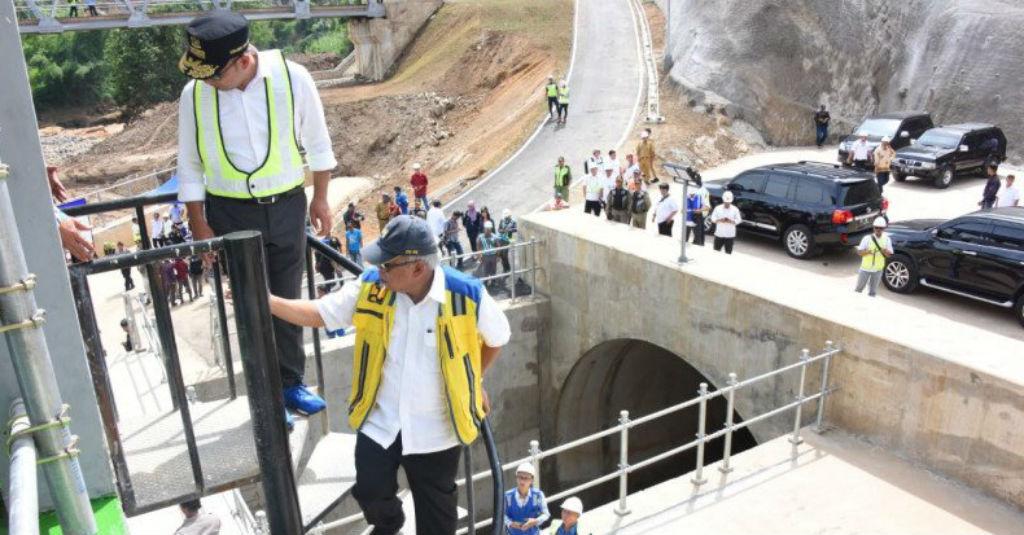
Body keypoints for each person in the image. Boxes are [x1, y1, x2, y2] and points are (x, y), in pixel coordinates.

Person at [268, 216, 511, 535]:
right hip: (381, 420)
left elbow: (498, 338)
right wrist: (268, 302)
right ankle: (390, 524)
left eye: (386, 265)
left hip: (437, 428)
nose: (378, 270)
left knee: (437, 515)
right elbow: (321, 313)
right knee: (370, 489)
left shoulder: (466, 295)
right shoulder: (372, 287)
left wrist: (473, 380)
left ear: (417, 269)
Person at [176, 11, 335, 421]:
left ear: (243, 61)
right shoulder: (193, 95)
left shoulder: (293, 78)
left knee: (286, 299)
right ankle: (265, 397)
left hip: (285, 207)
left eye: (213, 73)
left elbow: (318, 143)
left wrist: (321, 198)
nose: (206, 81)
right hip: (229, 213)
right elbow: (190, 164)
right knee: (250, 305)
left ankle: (290, 384)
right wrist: (197, 220)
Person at [504, 462, 550, 535]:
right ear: (516, 478)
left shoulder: (538, 495)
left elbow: (546, 514)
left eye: (526, 478)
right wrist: (511, 523)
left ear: (532, 480)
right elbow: (502, 515)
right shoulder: (507, 496)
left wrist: (535, 521)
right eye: (520, 477)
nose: (522, 481)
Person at [855, 217, 893, 297]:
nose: (878, 230)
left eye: (880, 228)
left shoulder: (887, 239)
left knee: (872, 292)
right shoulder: (867, 239)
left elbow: (889, 255)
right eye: (876, 227)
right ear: (873, 228)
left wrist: (885, 251)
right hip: (865, 269)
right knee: (858, 290)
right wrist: (867, 252)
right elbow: (859, 252)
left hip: (878, 270)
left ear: (884, 228)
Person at [476, 221, 502, 290]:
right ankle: (486, 282)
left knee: (493, 270)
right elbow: (478, 247)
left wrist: (498, 256)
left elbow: (498, 246)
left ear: (491, 229)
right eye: (487, 229)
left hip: (493, 256)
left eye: (489, 229)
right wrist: (479, 256)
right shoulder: (480, 237)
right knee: (486, 270)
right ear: (484, 229)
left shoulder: (494, 236)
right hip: (485, 256)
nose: (488, 230)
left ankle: (493, 281)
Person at [497, 209, 518, 273]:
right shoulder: (502, 220)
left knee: (505, 254)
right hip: (501, 239)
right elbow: (499, 229)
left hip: (508, 239)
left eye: (507, 216)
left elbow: (516, 229)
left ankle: (508, 268)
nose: (506, 217)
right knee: (501, 254)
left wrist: (510, 230)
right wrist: (503, 230)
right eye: (505, 216)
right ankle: (505, 268)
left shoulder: (513, 222)